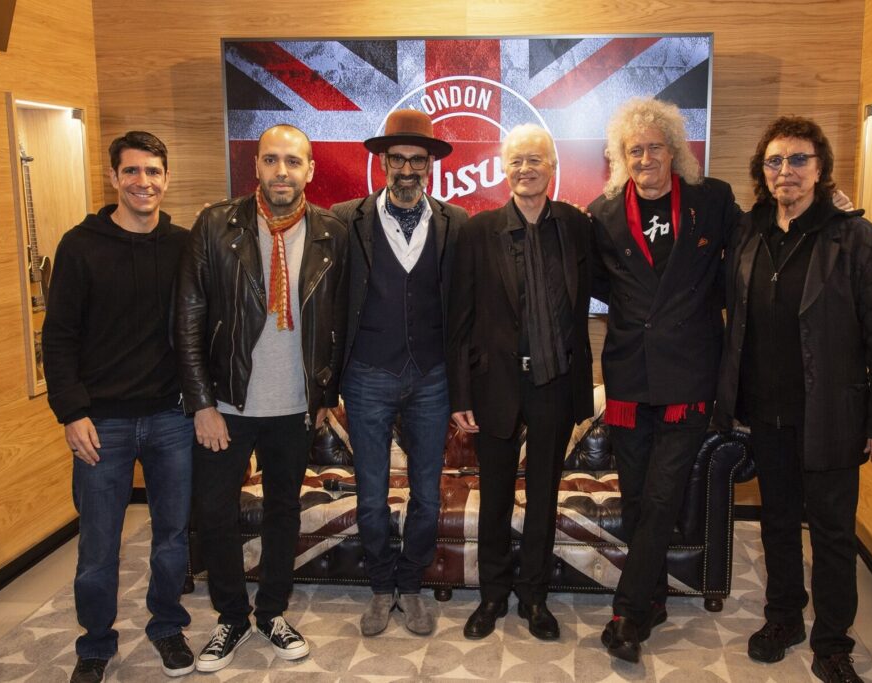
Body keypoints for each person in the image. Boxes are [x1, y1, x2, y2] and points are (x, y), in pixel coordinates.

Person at [714, 116, 872, 683]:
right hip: (765, 414)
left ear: (820, 169)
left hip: (833, 418)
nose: (786, 171)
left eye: (799, 160)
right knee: (776, 522)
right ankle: (784, 618)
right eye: (775, 161)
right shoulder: (749, 232)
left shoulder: (859, 239)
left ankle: (833, 641)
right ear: (762, 173)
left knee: (832, 532)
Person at [175, 124, 348, 672]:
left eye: (293, 162)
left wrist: (324, 391)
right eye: (271, 160)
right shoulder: (214, 224)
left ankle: (272, 610)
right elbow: (188, 318)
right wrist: (201, 401)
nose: (281, 171)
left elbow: (336, 320)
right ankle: (230, 617)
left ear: (309, 170)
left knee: (282, 512)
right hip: (225, 404)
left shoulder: (330, 231)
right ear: (255, 166)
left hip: (294, 407)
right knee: (216, 513)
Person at [587, 97, 742, 663]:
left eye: (656, 147)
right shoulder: (601, 215)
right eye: (635, 150)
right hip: (629, 375)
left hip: (688, 377)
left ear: (674, 151)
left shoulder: (713, 200)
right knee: (635, 498)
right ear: (620, 157)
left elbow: (749, 255)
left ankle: (628, 614)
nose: (646, 157)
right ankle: (652, 600)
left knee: (660, 494)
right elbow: (594, 283)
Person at [42, 131, 195, 682]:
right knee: (99, 544)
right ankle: (96, 643)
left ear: (166, 178)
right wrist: (71, 411)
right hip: (99, 422)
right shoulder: (80, 245)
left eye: (153, 172)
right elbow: (57, 337)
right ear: (113, 178)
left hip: (171, 418)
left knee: (173, 536)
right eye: (131, 172)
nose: (143, 183)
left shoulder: (182, 245)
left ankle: (167, 627)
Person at [447, 124, 594, 641]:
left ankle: (534, 598)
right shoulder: (477, 231)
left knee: (544, 498)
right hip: (496, 386)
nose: (526, 169)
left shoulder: (577, 227)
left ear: (553, 168)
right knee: (495, 497)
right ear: (503, 170)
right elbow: (459, 320)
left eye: (536, 160)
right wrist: (460, 394)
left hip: (555, 382)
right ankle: (492, 595)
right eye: (517, 161)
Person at [330, 109, 468, 637]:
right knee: (369, 494)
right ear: (382, 163)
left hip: (432, 375)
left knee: (427, 494)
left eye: (418, 159)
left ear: (430, 165)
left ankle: (411, 586)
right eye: (398, 159)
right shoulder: (346, 220)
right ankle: (381, 587)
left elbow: (468, 311)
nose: (408, 169)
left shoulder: (458, 224)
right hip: (367, 373)